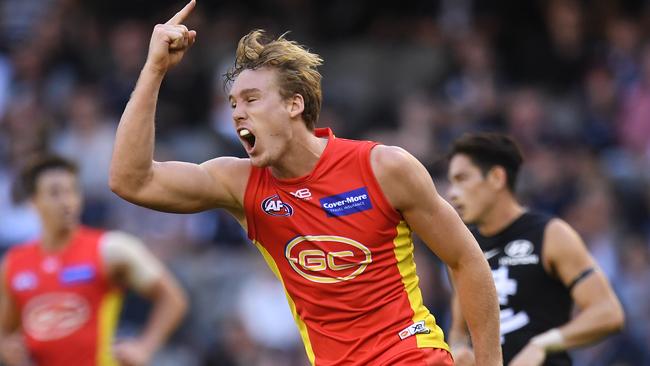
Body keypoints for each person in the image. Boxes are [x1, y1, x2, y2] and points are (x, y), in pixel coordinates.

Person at [109, 1, 501, 364]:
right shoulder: (239, 184)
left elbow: (466, 260)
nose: (237, 114)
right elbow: (131, 180)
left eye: (251, 100)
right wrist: (154, 69)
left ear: (294, 104)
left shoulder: (384, 167)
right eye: (232, 104)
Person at [445, 133, 625, 366]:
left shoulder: (551, 234)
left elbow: (608, 312)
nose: (452, 192)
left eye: (462, 179)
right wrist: (459, 350)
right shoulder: (464, 250)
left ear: (497, 178)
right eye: (451, 181)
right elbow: (460, 331)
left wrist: (543, 344)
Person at [0, 155, 188, 366]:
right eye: (55, 193)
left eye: (71, 191)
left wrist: (144, 346)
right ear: (33, 203)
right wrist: (8, 350)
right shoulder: (13, 263)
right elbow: (5, 333)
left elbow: (173, 298)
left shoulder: (111, 248)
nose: (66, 201)